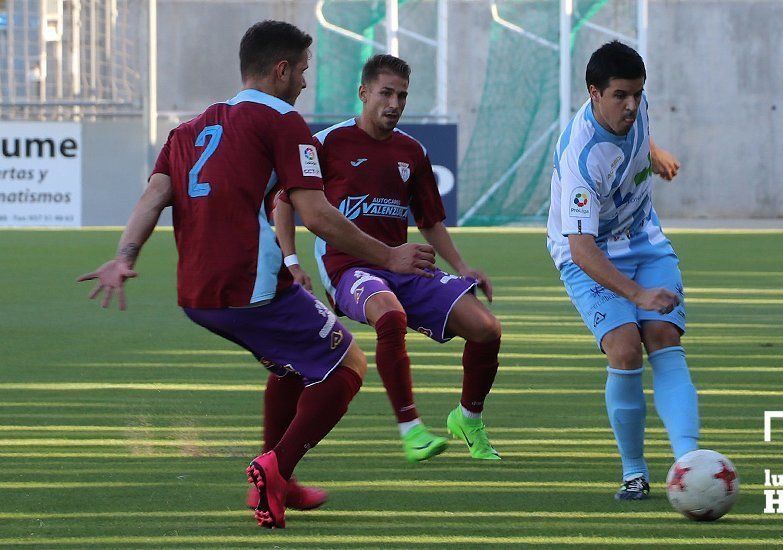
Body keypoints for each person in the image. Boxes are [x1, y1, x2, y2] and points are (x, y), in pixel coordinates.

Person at [76, 21, 435, 529]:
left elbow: (154, 196)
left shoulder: (189, 128)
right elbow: (317, 214)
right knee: (347, 365)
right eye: (303, 71)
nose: (306, 83)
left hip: (198, 296)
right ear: (281, 69)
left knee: (292, 362)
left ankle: (275, 485)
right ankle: (274, 468)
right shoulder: (284, 122)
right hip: (252, 285)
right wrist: (391, 256)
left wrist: (124, 256)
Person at [274, 54, 502, 463]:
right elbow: (284, 203)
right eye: (385, 93)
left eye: (402, 96)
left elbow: (430, 221)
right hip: (347, 268)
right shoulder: (327, 144)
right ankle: (411, 429)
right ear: (363, 93)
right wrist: (291, 261)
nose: (394, 104)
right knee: (389, 314)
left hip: (402, 264)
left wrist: (462, 267)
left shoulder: (412, 152)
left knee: (487, 328)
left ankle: (468, 417)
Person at [545, 41, 699, 500]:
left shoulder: (635, 103)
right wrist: (637, 295)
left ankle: (688, 464)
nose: (631, 104)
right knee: (626, 350)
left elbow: (637, 128)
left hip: (644, 241)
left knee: (664, 338)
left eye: (637, 94)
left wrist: (654, 151)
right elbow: (582, 248)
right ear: (594, 93)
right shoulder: (582, 155)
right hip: (587, 254)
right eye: (619, 96)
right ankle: (635, 473)